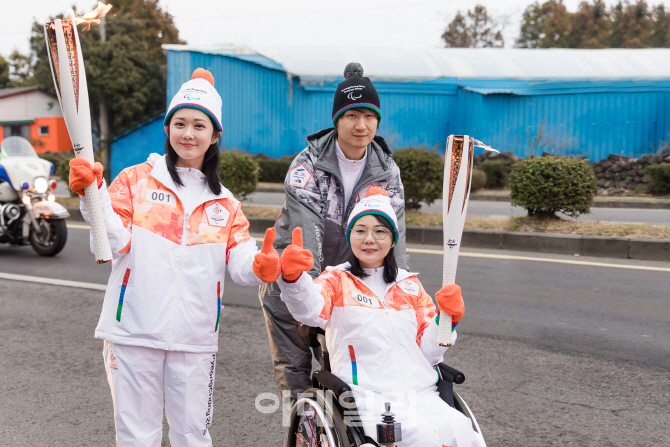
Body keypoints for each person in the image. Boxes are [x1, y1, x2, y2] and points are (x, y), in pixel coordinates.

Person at [69, 68, 282, 447]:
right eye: (179, 123)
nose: (188, 133)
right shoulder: (136, 180)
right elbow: (114, 242)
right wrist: (93, 193)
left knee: (193, 437)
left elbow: (241, 261)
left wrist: (261, 265)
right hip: (133, 330)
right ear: (167, 129)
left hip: (195, 338)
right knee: (137, 437)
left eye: (199, 125)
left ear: (215, 135)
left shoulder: (224, 203)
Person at [276, 187, 482, 447]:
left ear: (393, 239)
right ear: (350, 236)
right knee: (421, 437)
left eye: (380, 231)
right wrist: (294, 280)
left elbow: (430, 355)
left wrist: (447, 319)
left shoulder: (410, 286)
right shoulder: (337, 280)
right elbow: (310, 309)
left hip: (420, 392)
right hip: (367, 396)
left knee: (463, 434)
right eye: (360, 230)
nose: (369, 239)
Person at [259, 62, 408, 401]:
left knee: (347, 378)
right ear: (337, 119)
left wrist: (397, 299)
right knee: (296, 380)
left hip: (346, 289)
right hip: (294, 285)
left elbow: (392, 240)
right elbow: (305, 236)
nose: (361, 125)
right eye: (351, 115)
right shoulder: (307, 166)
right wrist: (307, 298)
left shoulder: (386, 171)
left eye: (369, 116)